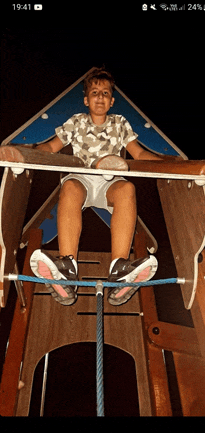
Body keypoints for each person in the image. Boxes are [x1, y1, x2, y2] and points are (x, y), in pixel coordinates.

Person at [30, 67, 160, 306]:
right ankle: (67, 266)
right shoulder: (76, 122)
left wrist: (169, 164)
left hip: (110, 180)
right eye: (94, 92)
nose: (99, 97)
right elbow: (51, 148)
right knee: (69, 186)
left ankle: (119, 268)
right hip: (82, 178)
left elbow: (139, 153)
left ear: (111, 101)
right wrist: (25, 154)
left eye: (105, 93)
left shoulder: (120, 123)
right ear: (86, 100)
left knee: (127, 189)